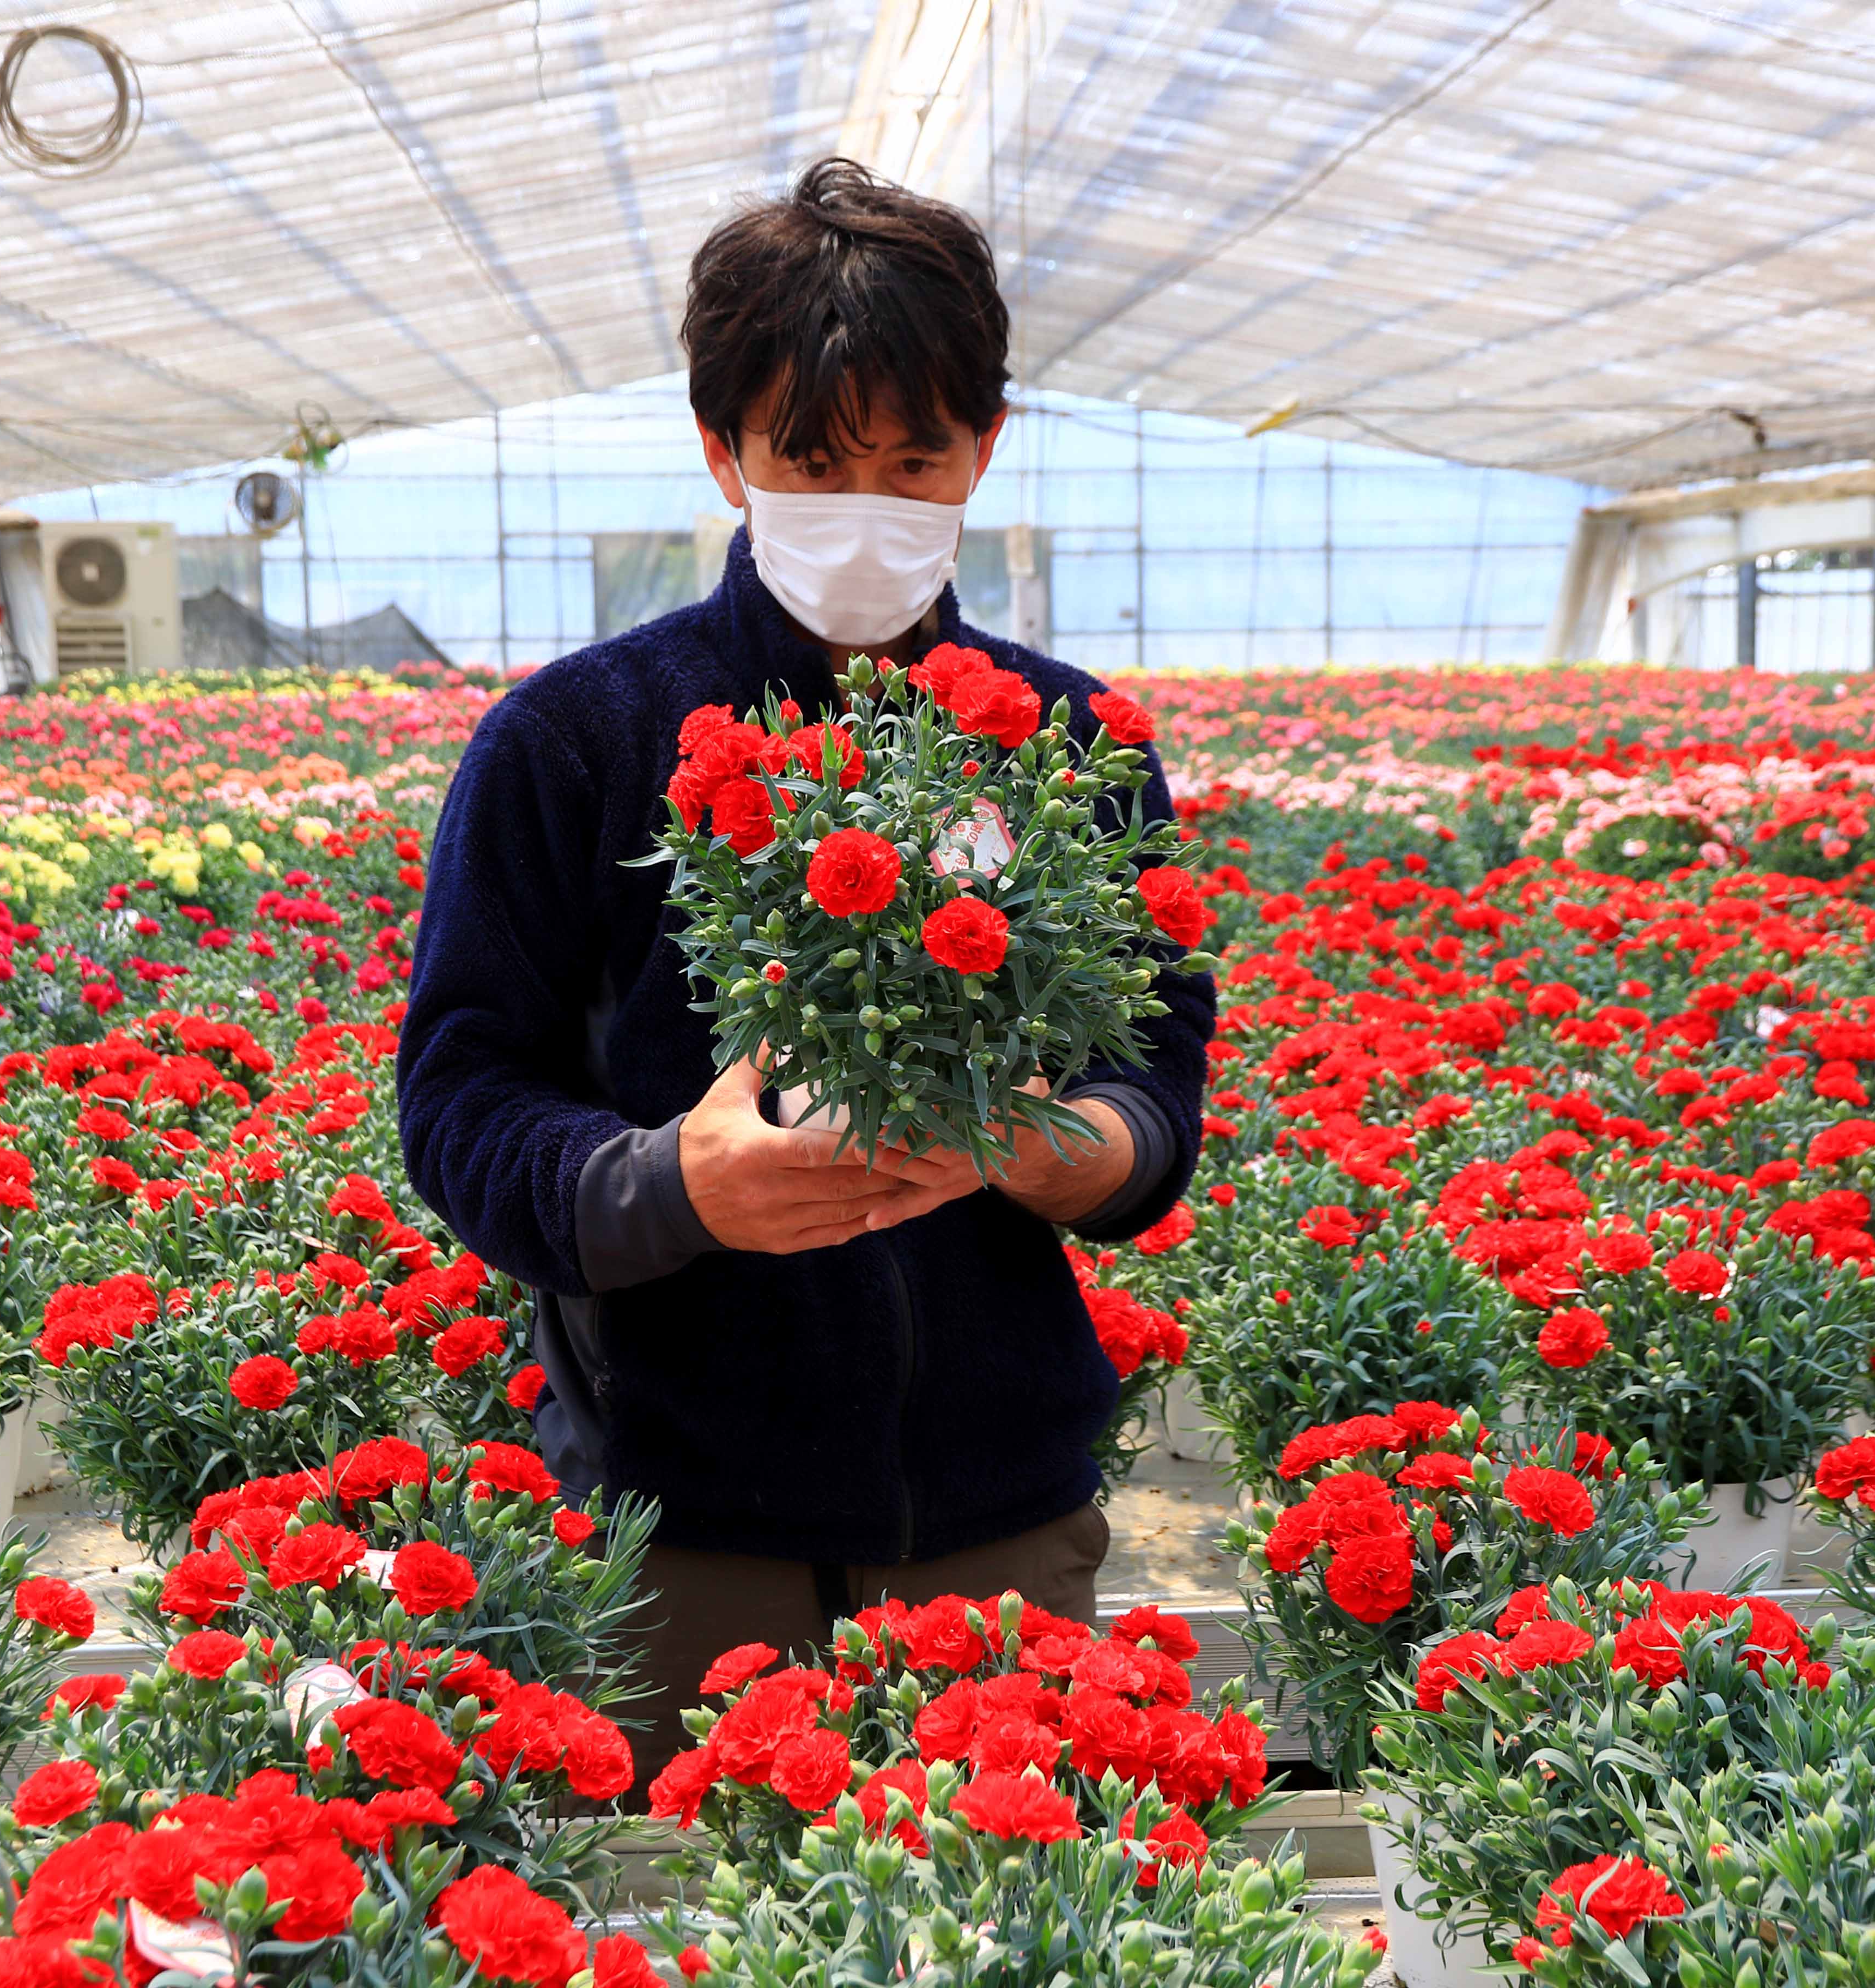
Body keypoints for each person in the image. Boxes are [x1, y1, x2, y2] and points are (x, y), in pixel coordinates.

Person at [395, 157, 1213, 1781]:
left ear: (986, 444)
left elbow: (1155, 1067)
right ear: (725, 455)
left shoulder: (1071, 745)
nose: (870, 506)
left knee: (1018, 1925)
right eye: (815, 462)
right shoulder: (578, 741)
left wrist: (1061, 1151)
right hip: (681, 1531)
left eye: (916, 461)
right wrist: (667, 1184)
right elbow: (462, 1092)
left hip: (998, 1515)